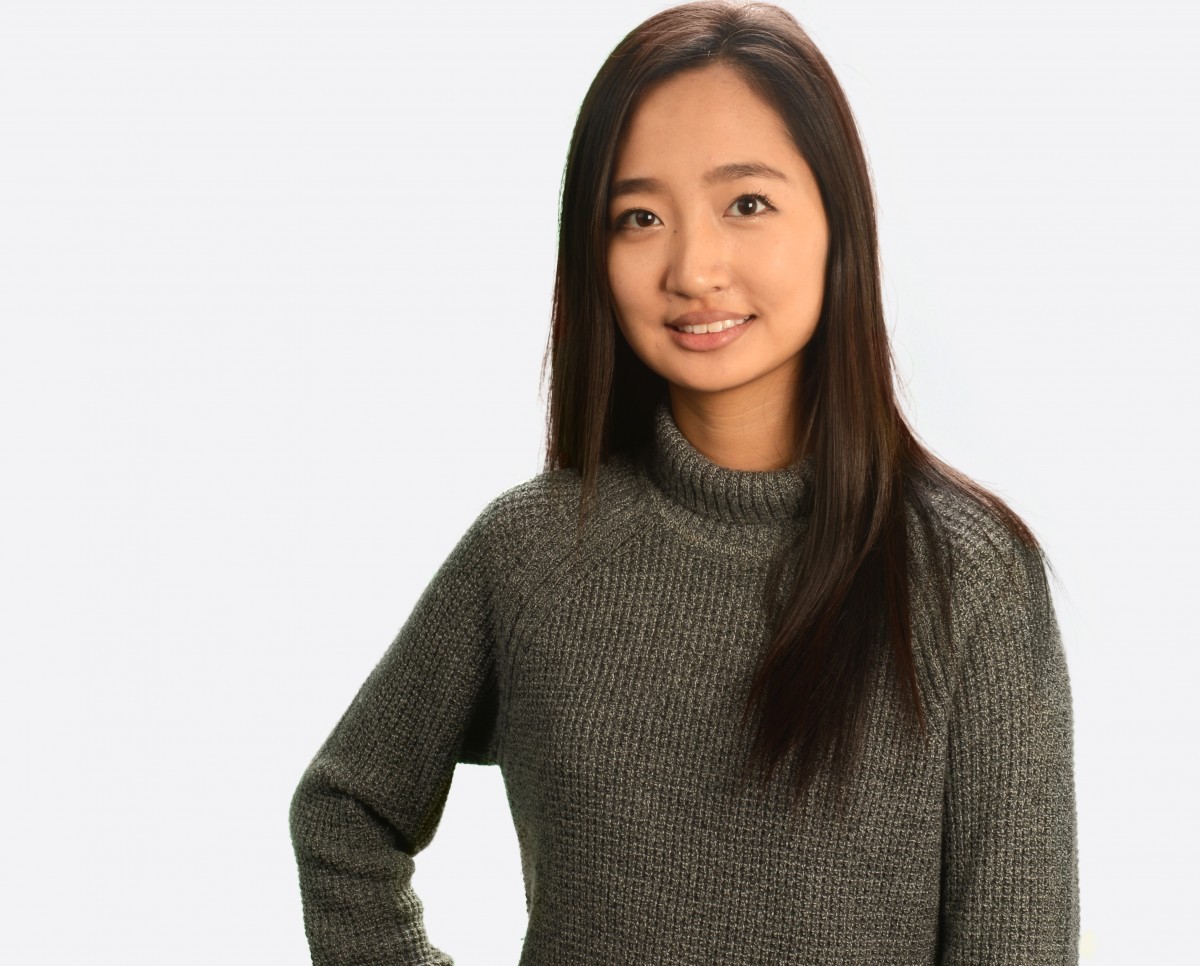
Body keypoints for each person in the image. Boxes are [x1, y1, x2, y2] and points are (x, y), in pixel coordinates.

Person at [288, 2, 1080, 963]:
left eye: (746, 204)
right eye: (640, 217)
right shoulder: (531, 552)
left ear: (839, 220)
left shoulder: (968, 576)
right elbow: (345, 811)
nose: (694, 268)